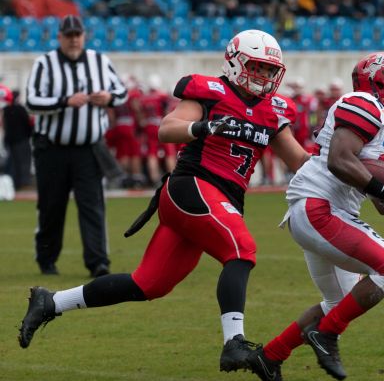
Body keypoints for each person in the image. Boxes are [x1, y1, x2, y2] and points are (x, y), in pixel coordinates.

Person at [18, 29, 310, 375]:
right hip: (192, 186)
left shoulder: (274, 110)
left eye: (268, 70)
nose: (263, 76)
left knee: (149, 284)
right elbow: (168, 128)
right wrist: (204, 127)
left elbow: (299, 161)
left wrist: (350, 170)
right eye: (257, 67)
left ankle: (51, 302)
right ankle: (234, 343)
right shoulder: (210, 91)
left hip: (216, 200)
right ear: (236, 63)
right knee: (241, 250)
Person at [246, 52, 384, 381]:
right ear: (378, 81)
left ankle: (269, 355)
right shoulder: (363, 102)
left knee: (337, 302)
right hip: (318, 206)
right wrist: (380, 185)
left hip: (327, 212)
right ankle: (325, 334)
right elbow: (338, 159)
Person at [24, 15, 127, 277]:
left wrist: (109, 98)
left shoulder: (99, 61)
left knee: (92, 206)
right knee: (51, 207)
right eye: (68, 35)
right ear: (59, 37)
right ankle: (46, 259)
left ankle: (98, 262)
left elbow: (122, 92)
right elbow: (32, 102)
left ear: (84, 36)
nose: (73, 39)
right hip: (52, 149)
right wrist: (64, 101)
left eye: (77, 34)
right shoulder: (44, 63)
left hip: (89, 149)